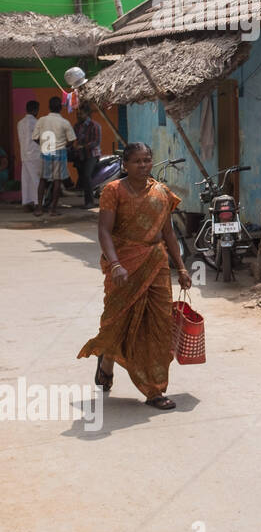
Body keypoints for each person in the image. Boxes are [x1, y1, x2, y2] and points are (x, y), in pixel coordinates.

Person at [78, 143, 192, 410]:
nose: (143, 165)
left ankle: (155, 390)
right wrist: (115, 264)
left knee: (159, 325)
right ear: (125, 165)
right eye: (137, 161)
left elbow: (169, 234)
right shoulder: (113, 191)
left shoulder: (161, 193)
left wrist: (182, 267)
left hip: (156, 263)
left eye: (147, 160)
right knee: (117, 322)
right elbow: (104, 231)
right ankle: (107, 358)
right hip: (124, 267)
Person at [33, 97, 76, 216]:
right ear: (60, 108)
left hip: (46, 150)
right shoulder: (65, 122)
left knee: (42, 179)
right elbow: (72, 140)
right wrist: (65, 146)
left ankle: (39, 209)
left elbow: (35, 137)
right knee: (57, 180)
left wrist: (44, 145)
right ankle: (53, 209)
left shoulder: (41, 120)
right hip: (60, 152)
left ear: (49, 107)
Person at [73, 107, 102, 209]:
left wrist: (83, 146)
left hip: (92, 154)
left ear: (87, 114)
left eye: (80, 114)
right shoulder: (77, 126)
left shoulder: (94, 125)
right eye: (77, 114)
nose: (78, 116)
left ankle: (90, 202)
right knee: (82, 177)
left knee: (87, 175)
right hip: (81, 155)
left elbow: (96, 141)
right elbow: (74, 138)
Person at [17, 100, 39, 209]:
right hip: (35, 155)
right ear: (36, 110)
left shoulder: (20, 123)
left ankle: (26, 202)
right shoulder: (36, 122)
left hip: (24, 155)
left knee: (26, 180)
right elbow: (38, 139)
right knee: (36, 179)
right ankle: (37, 203)